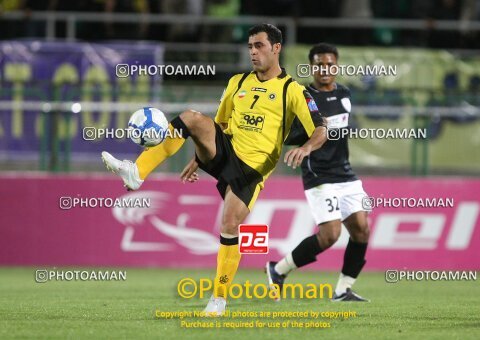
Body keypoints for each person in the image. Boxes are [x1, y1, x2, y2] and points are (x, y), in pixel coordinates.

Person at [101, 24, 327, 315]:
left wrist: (306, 147)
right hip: (226, 151)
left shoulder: (292, 90)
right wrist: (199, 158)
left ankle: (219, 299)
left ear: (276, 48)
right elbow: (219, 125)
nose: (253, 52)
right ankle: (137, 172)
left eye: (259, 46)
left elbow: (321, 129)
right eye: (250, 47)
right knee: (192, 118)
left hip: (252, 170)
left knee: (230, 225)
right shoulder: (237, 82)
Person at [265, 43, 371, 302]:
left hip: (345, 174)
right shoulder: (303, 96)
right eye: (319, 65)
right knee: (330, 235)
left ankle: (343, 289)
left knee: (361, 229)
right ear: (311, 67)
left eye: (330, 64)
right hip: (319, 174)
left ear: (336, 66)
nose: (325, 69)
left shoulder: (345, 94)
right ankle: (278, 269)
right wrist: (301, 146)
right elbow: (286, 129)